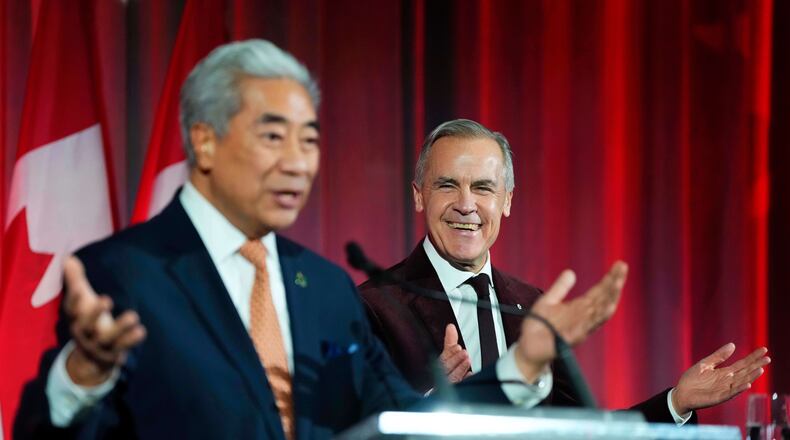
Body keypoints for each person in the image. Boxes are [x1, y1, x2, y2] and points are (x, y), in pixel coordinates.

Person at [14, 42, 630, 440]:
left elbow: (400, 425)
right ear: (204, 142)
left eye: (309, 139)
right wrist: (82, 376)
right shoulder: (124, 273)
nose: (298, 162)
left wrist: (523, 364)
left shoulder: (326, 289)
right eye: (273, 136)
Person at [359, 118, 770, 423]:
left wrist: (676, 402)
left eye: (483, 187)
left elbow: (583, 432)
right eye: (448, 185)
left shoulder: (533, 305)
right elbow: (345, 431)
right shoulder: (373, 307)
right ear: (419, 196)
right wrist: (427, 404)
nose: (466, 204)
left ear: (507, 201)